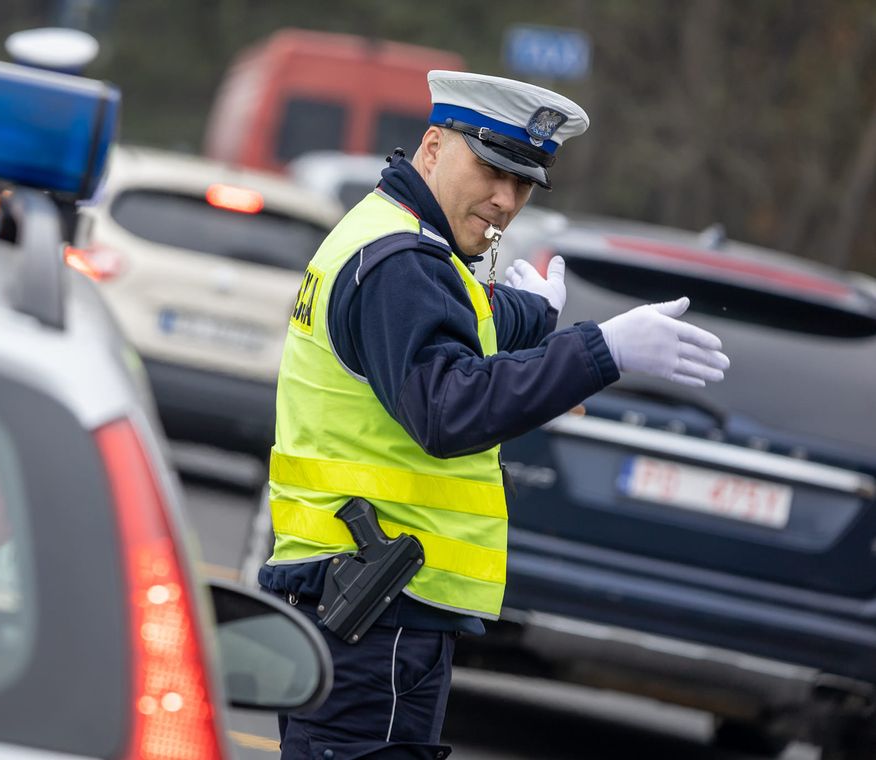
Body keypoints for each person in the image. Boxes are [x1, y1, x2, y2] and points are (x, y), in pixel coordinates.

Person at [259, 70, 730, 759]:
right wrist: (602, 351)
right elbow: (448, 407)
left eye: (523, 184)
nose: (505, 200)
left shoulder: (396, 239)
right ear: (431, 148)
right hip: (373, 615)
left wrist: (534, 315)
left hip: (364, 606)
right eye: (490, 169)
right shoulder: (402, 262)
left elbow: (458, 326)